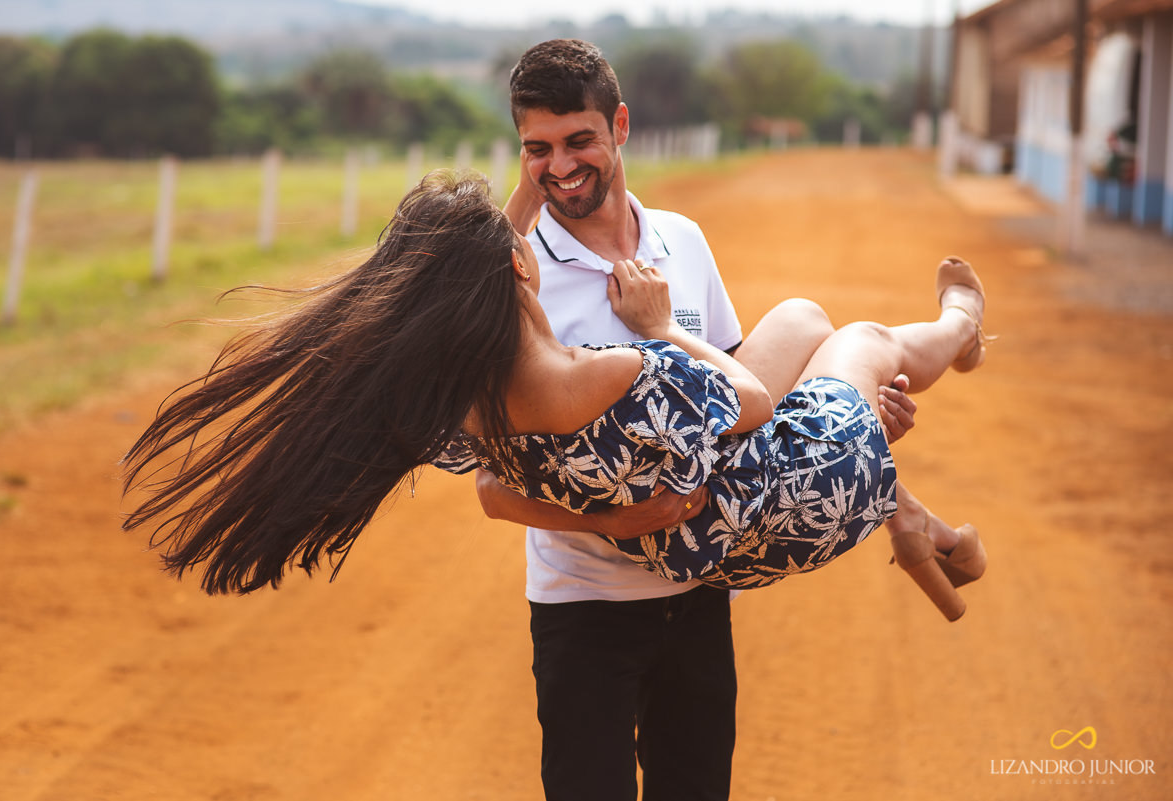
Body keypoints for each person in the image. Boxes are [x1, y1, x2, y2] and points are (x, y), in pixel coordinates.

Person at [121, 172, 990, 787]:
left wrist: (618, 520)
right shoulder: (621, 370)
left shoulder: (470, 413)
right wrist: (658, 329)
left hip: (707, 543)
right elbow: (755, 399)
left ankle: (910, 518)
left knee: (804, 323)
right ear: (515, 272)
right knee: (858, 335)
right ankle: (962, 323)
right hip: (788, 491)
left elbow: (492, 469)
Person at [490, 38, 918, 801]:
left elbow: (744, 400)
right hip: (582, 607)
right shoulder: (515, 279)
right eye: (538, 149)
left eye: (579, 139)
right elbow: (492, 488)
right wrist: (617, 525)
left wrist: (855, 413)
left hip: (699, 593)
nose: (560, 165)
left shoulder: (681, 241)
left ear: (620, 126)